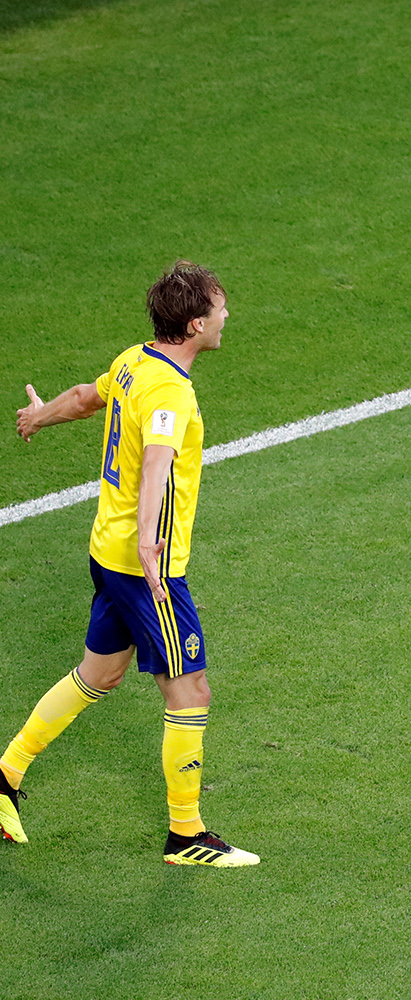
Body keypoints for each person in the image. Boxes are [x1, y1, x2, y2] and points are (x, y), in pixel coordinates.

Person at [3, 260, 259, 867]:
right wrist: (151, 546)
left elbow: (88, 399)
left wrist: (38, 415)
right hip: (148, 568)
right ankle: (187, 835)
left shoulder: (134, 360)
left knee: (99, 675)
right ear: (196, 322)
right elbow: (157, 464)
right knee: (190, 689)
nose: (227, 317)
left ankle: (5, 775)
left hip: (107, 551)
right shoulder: (171, 387)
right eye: (221, 308)